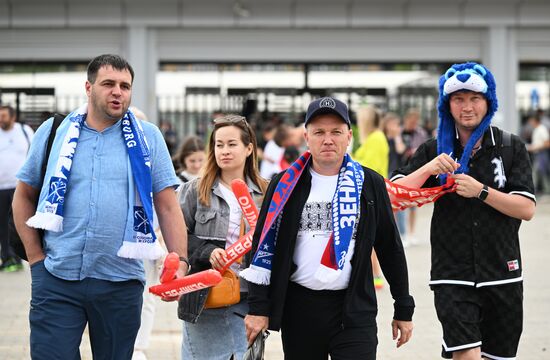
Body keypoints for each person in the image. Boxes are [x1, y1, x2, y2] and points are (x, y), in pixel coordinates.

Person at [12, 54, 189, 359]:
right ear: (89, 87)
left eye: (125, 85)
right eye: (108, 84)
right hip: (57, 278)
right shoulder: (54, 132)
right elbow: (24, 195)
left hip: (120, 283)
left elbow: (168, 206)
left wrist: (181, 263)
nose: (117, 91)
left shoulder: (149, 138)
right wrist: (36, 260)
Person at [242, 97, 414, 360]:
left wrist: (403, 307)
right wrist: (258, 307)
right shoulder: (284, 185)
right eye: (319, 132)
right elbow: (262, 247)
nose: (328, 139)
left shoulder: (370, 183)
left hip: (354, 310)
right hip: (300, 310)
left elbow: (390, 247)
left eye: (336, 132)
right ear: (306, 137)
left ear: (349, 136)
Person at [391, 62, 536, 360]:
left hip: (503, 273)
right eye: (458, 99)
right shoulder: (434, 149)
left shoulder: (511, 147)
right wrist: (430, 168)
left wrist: (481, 191)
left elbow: (526, 208)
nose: (466, 107)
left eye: (474, 99)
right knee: (466, 355)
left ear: (488, 102)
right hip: (451, 274)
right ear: (447, 105)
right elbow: (395, 196)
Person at [177, 114, 268, 360]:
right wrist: (208, 252)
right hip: (204, 297)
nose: (224, 151)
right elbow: (175, 237)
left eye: (231, 144)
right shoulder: (194, 190)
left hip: (248, 299)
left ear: (249, 148)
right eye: (219, 145)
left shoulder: (266, 192)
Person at [353, 105, 390, 290]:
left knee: (370, 237)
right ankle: (375, 274)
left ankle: (376, 275)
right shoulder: (374, 138)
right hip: (367, 192)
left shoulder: (375, 138)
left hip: (370, 194)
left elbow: (370, 167)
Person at [0, 105, 33, 272]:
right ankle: (6, 258)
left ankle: (19, 257)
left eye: (4, 116)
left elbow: (35, 154)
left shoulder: (24, 131)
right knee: (2, 226)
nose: (1, 119)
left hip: (18, 187)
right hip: (1, 188)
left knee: (18, 223)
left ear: (13, 117)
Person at [401, 108, 429, 244]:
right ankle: (402, 233)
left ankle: (411, 233)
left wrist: (415, 151)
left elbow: (424, 149)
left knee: (412, 204)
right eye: (411, 120)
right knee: (399, 205)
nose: (413, 123)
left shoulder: (420, 133)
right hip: (400, 170)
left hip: (414, 171)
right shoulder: (399, 132)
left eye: (415, 121)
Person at [526, 114, 549, 193]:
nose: (530, 123)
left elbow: (547, 143)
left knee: (540, 171)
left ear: (535, 120)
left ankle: (544, 190)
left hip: (541, 154)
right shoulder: (536, 129)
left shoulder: (542, 129)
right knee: (540, 172)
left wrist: (535, 147)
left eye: (531, 121)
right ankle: (543, 189)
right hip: (536, 154)